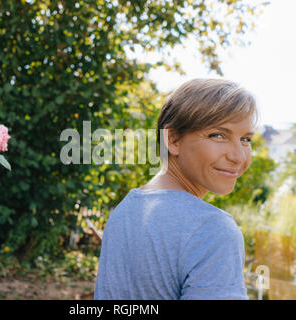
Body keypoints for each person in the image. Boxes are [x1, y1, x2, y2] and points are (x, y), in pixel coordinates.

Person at [94, 78, 257, 300]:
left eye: (245, 139)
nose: (238, 156)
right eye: (217, 135)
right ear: (172, 139)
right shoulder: (213, 230)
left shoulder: (125, 210)